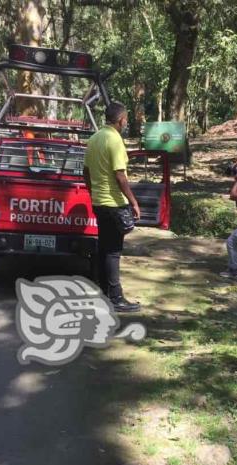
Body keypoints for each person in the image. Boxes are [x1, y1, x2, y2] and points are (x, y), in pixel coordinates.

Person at [83, 101, 141, 313]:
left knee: (103, 248)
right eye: (126, 119)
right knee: (113, 251)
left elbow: (86, 172)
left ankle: (102, 293)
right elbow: (120, 176)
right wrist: (134, 202)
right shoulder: (114, 140)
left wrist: (93, 192)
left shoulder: (94, 138)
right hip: (114, 203)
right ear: (121, 120)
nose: (126, 123)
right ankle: (116, 297)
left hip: (99, 202)